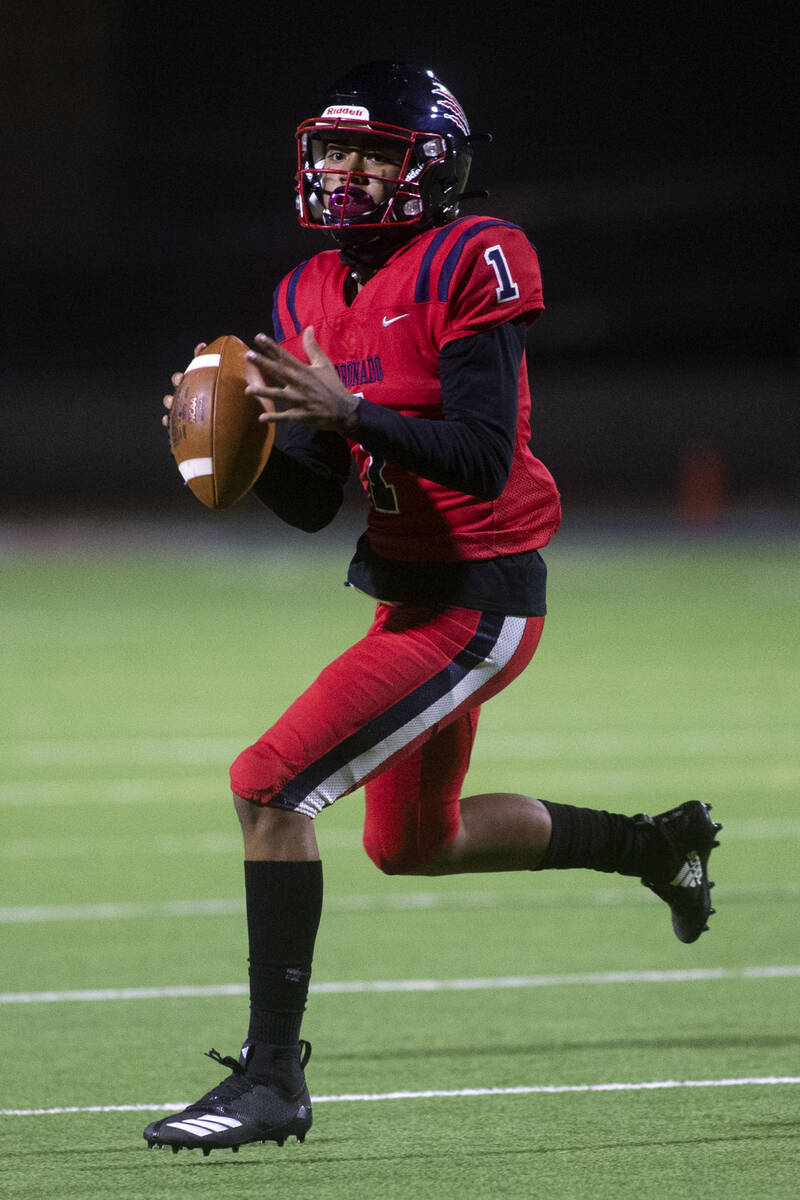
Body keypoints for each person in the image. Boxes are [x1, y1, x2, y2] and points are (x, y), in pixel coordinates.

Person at [144, 62, 721, 1157]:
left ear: (431, 165)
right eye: (335, 149)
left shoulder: (475, 253)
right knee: (414, 843)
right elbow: (316, 504)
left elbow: (485, 453)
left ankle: (271, 1082)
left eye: (376, 152)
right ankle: (657, 846)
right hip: (410, 599)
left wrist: (351, 408)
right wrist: (226, 448)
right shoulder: (303, 290)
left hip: (480, 594)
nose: (347, 171)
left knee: (268, 785)